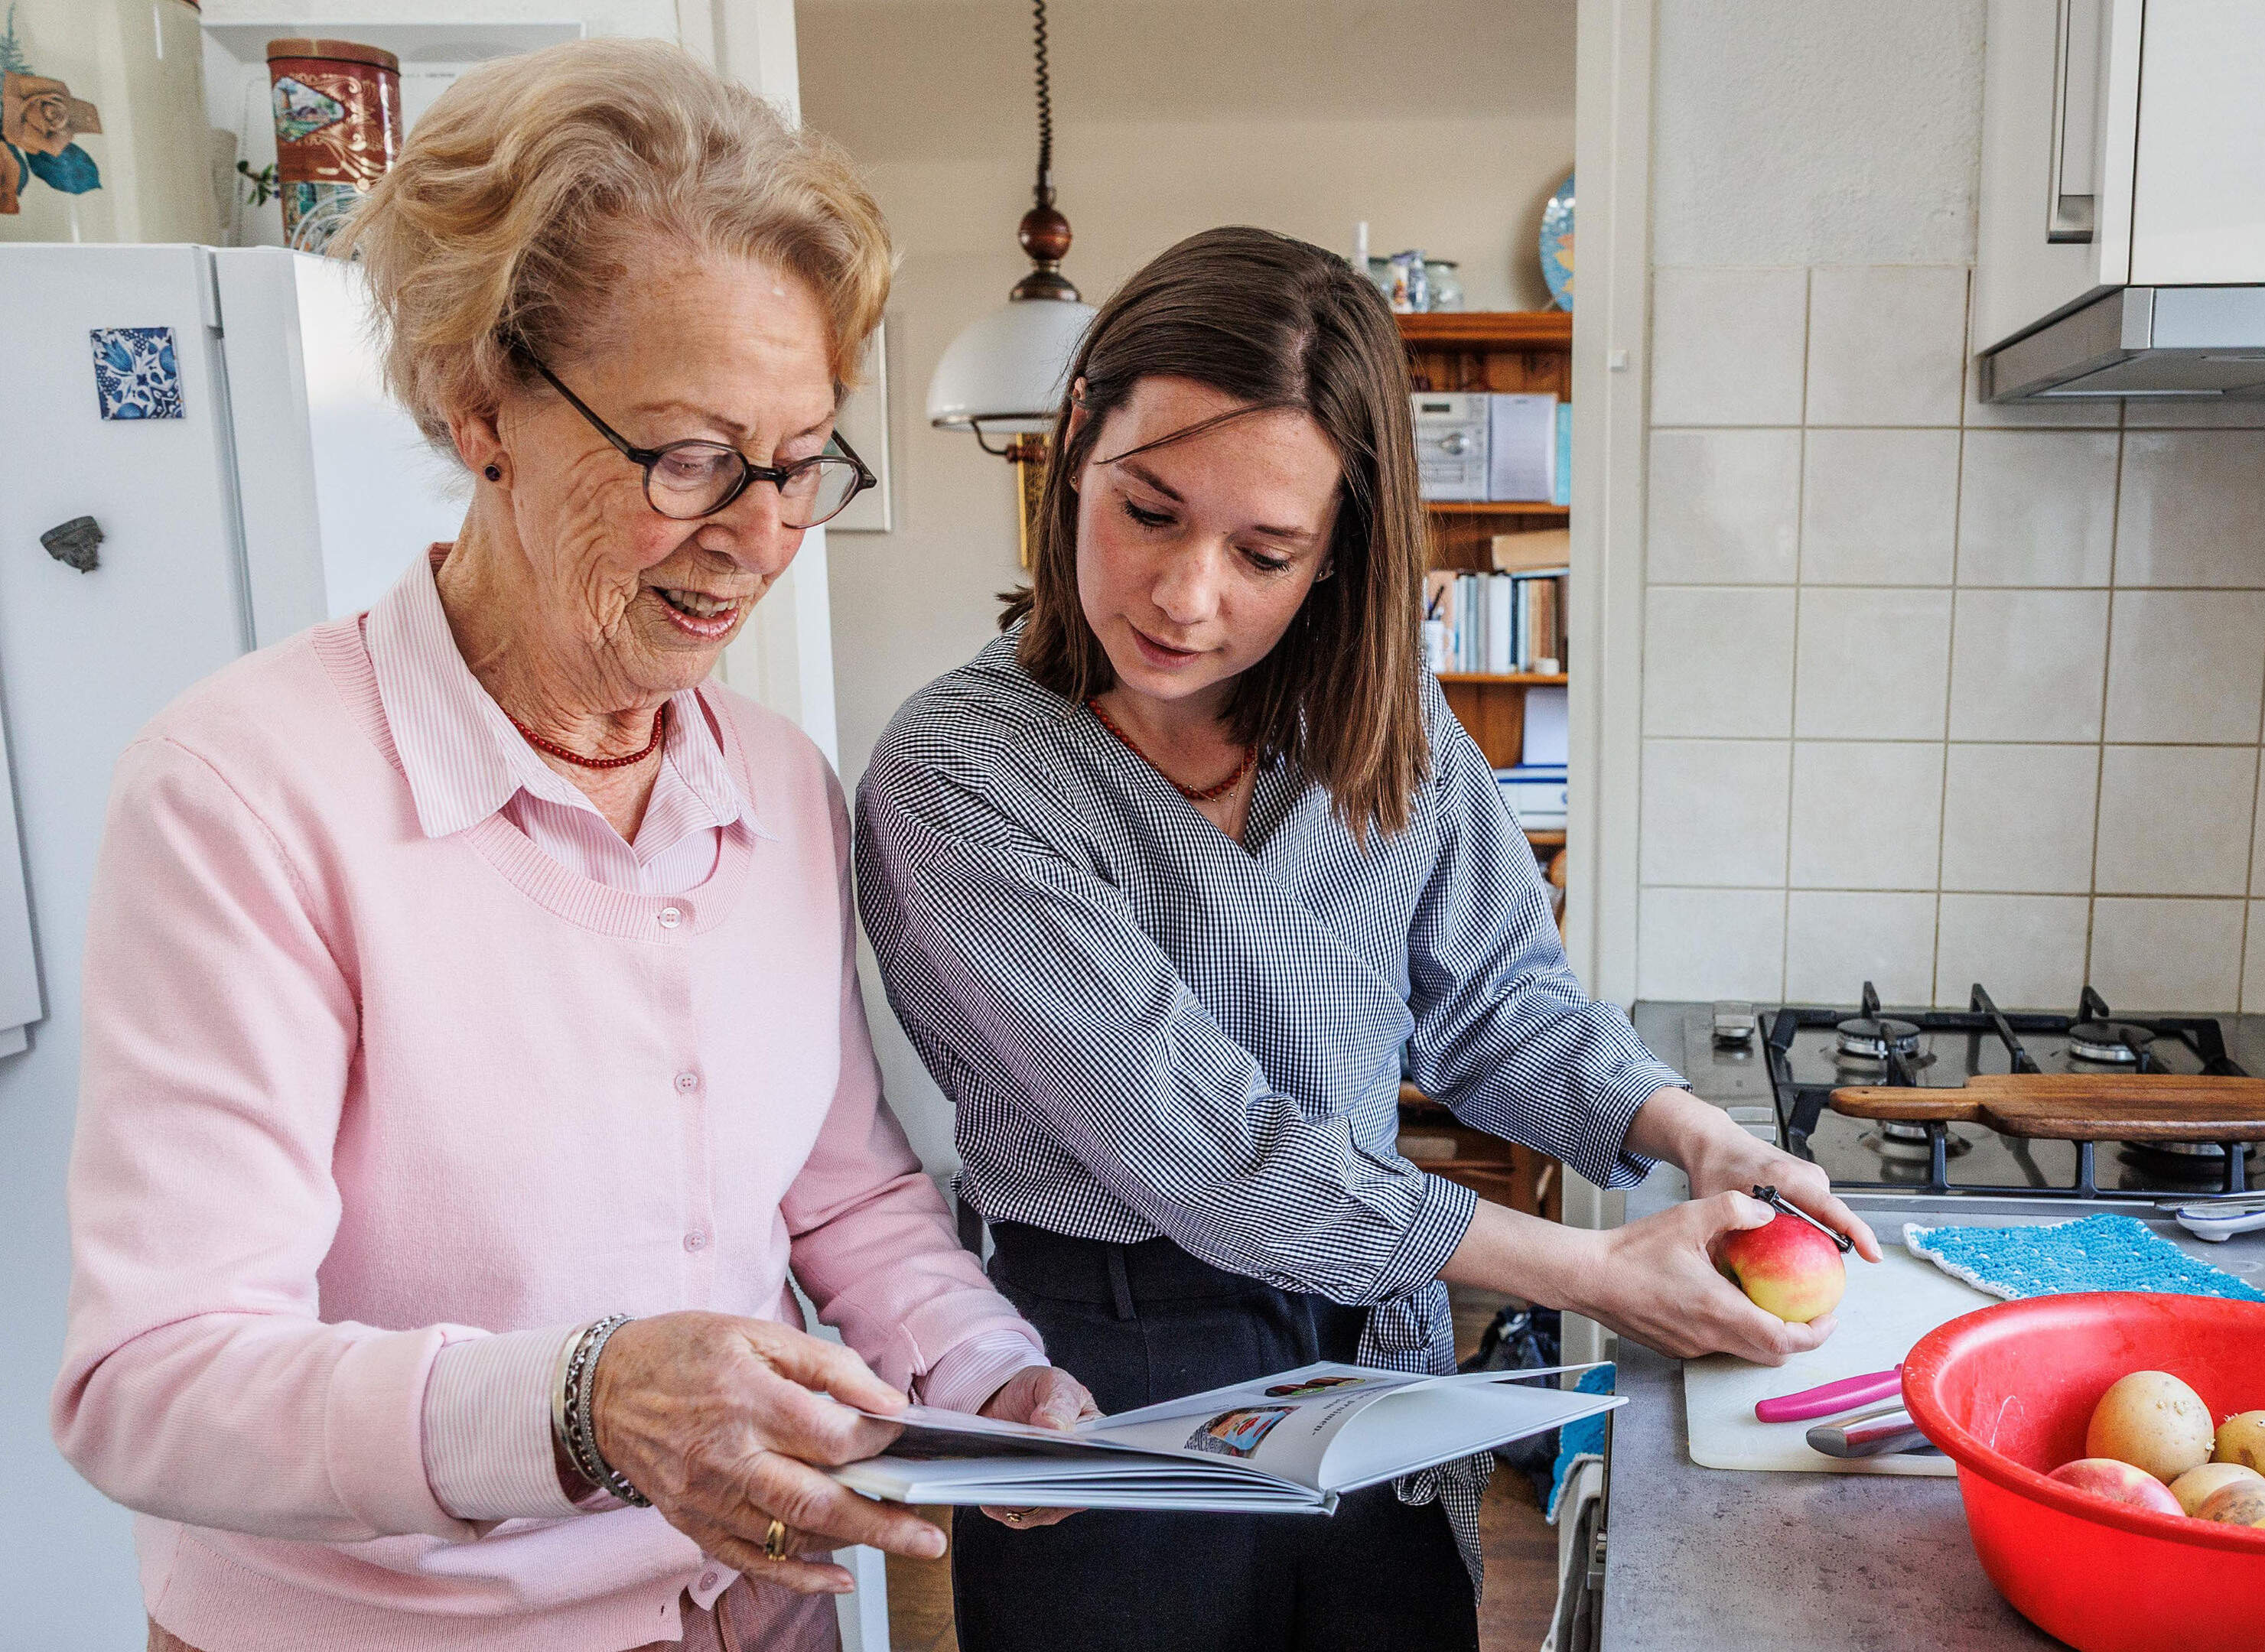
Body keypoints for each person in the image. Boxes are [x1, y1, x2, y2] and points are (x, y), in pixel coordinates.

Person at [52, 40, 1091, 1652]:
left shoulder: (774, 784)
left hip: (757, 1613)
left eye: (802, 461)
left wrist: (984, 1369)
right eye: (689, 456)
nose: (758, 538)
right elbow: (154, 1382)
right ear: (484, 409)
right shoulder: (244, 791)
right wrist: (587, 1403)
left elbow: (844, 1197)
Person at [854, 226, 1882, 1652]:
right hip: (1111, 1373)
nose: (1188, 594)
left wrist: (1692, 1132)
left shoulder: (1381, 714)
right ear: (1075, 435)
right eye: (1149, 512)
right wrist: (1594, 1274)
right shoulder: (962, 779)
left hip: (1387, 1351)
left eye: (1265, 551)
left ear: (1339, 552)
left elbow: (1500, 1005)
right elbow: (1217, 1154)